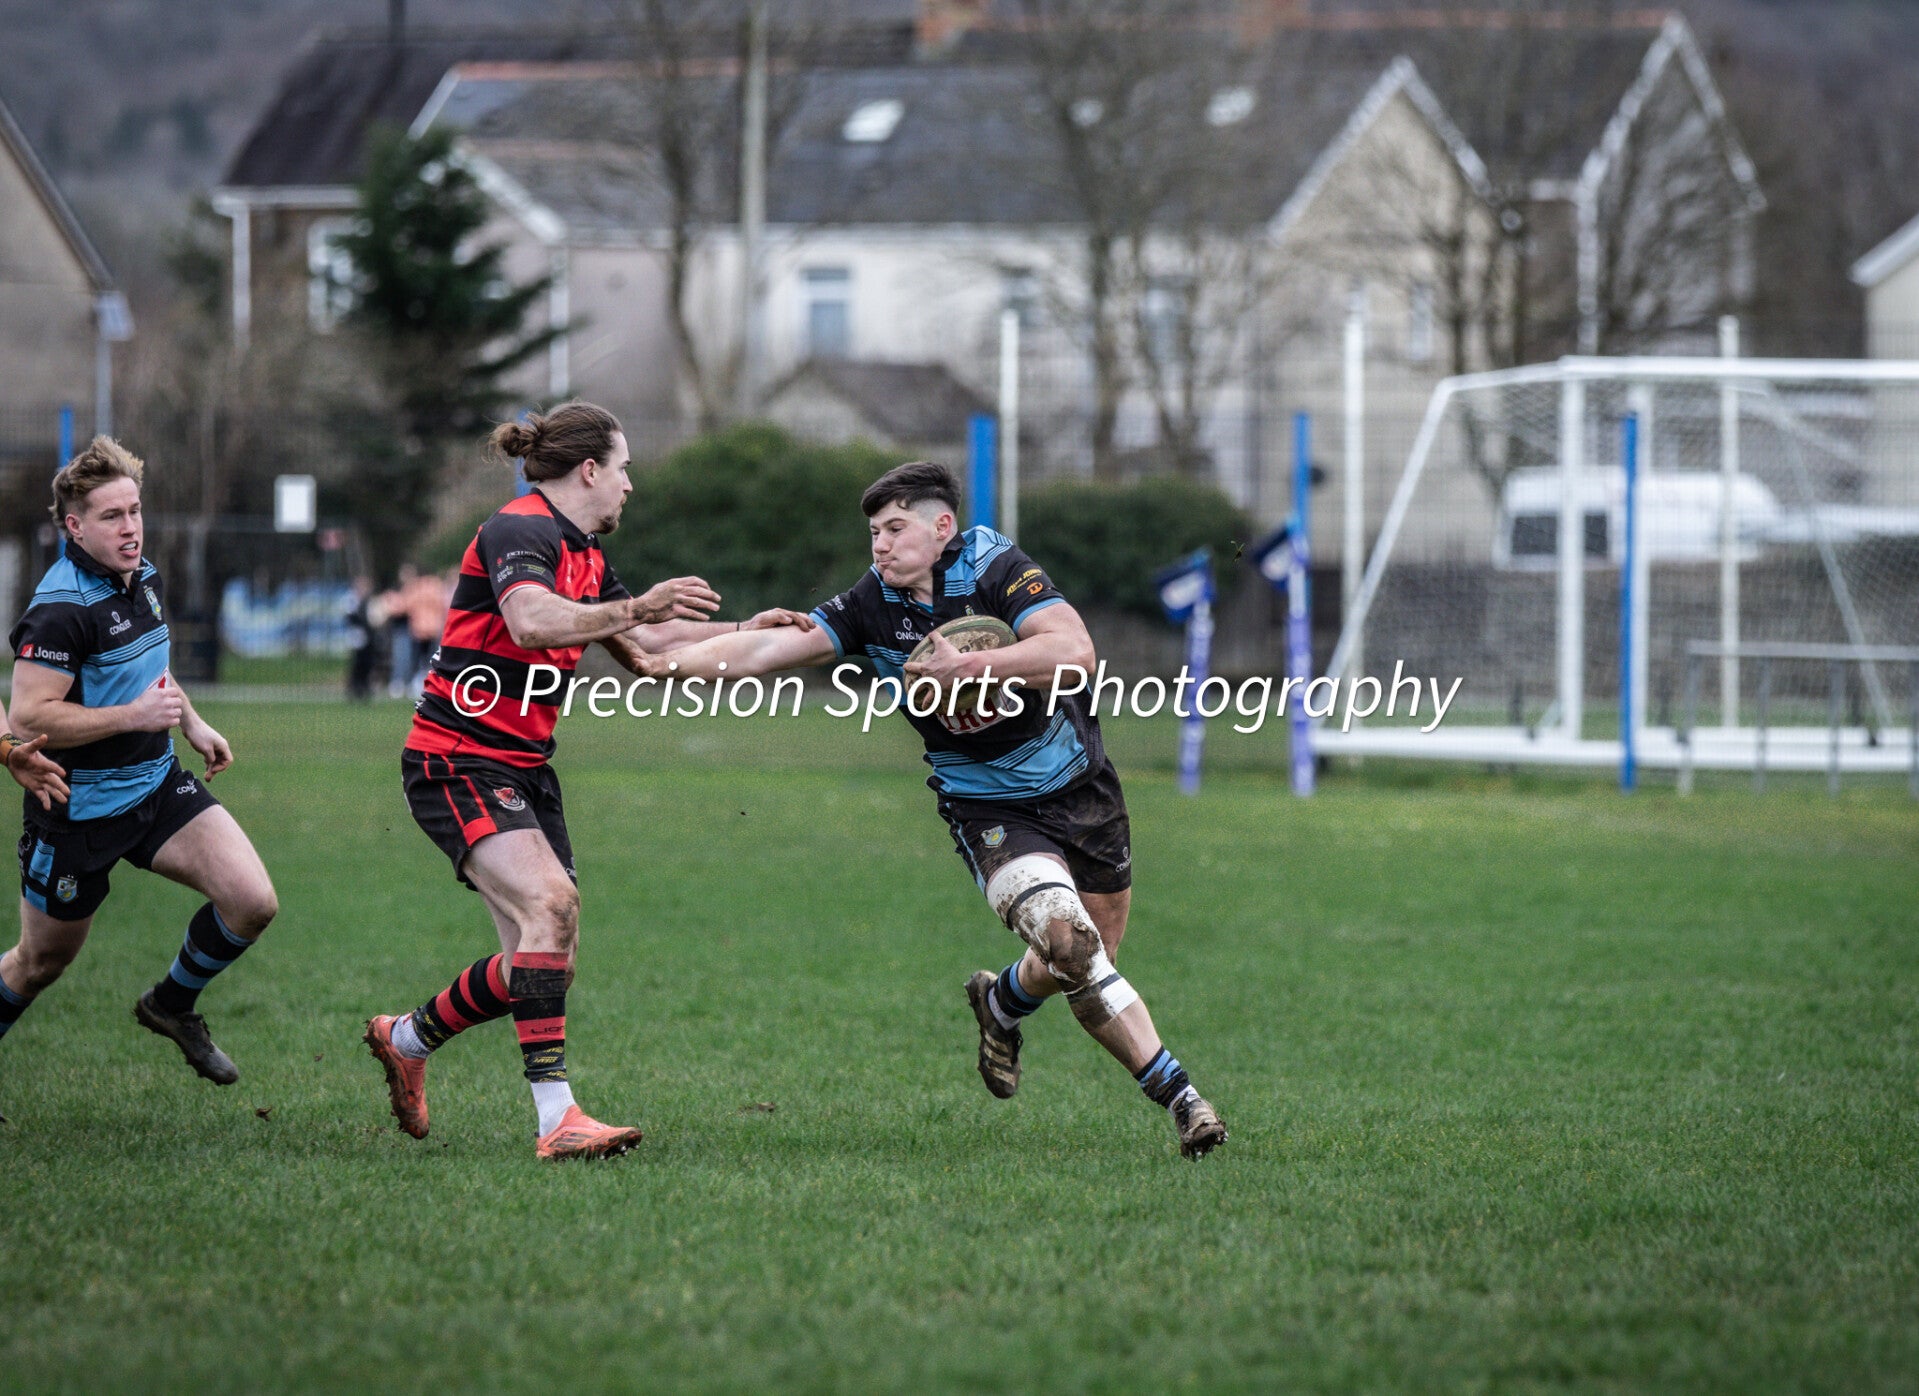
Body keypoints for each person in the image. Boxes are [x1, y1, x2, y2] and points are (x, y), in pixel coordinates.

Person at [635, 461, 1227, 1159]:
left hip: (1081, 788)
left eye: (895, 528)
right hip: (987, 807)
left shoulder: (992, 565)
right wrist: (650, 659)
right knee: (1070, 945)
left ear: (941, 526)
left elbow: (1075, 651)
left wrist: (969, 668)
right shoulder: (870, 603)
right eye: (873, 533)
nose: (880, 545)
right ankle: (1183, 1099)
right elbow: (766, 647)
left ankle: (1002, 1002)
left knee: (1085, 957)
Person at [362, 401, 814, 1160]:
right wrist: (635, 607)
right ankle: (557, 1121)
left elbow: (647, 641)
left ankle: (406, 1038)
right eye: (625, 468)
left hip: (523, 767)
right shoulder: (519, 529)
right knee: (552, 906)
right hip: (458, 758)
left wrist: (745, 629)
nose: (631, 485)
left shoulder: (586, 553)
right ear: (590, 470)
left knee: (543, 961)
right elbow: (532, 620)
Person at [1, 436, 279, 1081]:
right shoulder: (60, 611)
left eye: (135, 511)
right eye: (112, 516)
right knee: (39, 964)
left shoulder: (140, 575)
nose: (130, 528)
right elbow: (30, 719)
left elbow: (148, 668)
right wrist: (134, 716)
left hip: (155, 787)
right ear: (75, 527)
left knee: (251, 901)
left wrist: (191, 720)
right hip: (77, 812)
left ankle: (170, 1005)